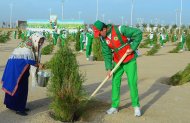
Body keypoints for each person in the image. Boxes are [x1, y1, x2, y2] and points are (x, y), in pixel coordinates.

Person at [92, 20, 142, 117]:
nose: (99, 35)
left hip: (129, 60)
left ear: (104, 29)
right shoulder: (103, 39)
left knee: (132, 82)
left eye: (99, 33)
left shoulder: (120, 29)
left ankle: (136, 106)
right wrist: (109, 68)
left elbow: (138, 33)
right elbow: (106, 54)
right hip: (117, 61)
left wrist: (133, 47)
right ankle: (114, 106)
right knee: (115, 82)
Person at [1, 33, 45, 116]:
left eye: (41, 42)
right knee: (20, 88)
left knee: (18, 86)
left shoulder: (28, 43)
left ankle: (13, 105)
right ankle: (20, 109)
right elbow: (28, 59)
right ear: (35, 39)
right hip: (17, 69)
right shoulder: (27, 46)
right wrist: (38, 64)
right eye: (39, 42)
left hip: (19, 67)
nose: (40, 44)